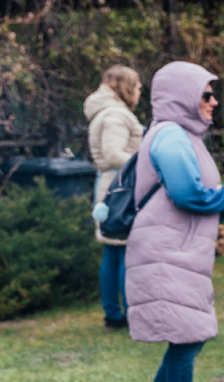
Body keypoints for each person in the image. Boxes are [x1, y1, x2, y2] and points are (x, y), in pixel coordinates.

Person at [125, 61, 224, 382]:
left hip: (176, 251)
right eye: (206, 94)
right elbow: (187, 194)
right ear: (182, 96)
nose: (214, 101)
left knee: (188, 333)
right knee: (187, 334)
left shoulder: (182, 135)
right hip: (167, 252)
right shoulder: (171, 136)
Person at [84, 65, 144, 329]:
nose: (140, 91)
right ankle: (130, 315)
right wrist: (148, 164)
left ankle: (114, 314)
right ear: (126, 86)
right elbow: (113, 154)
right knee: (125, 251)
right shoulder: (115, 115)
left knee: (113, 250)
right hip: (121, 190)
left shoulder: (107, 112)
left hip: (111, 188)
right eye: (138, 86)